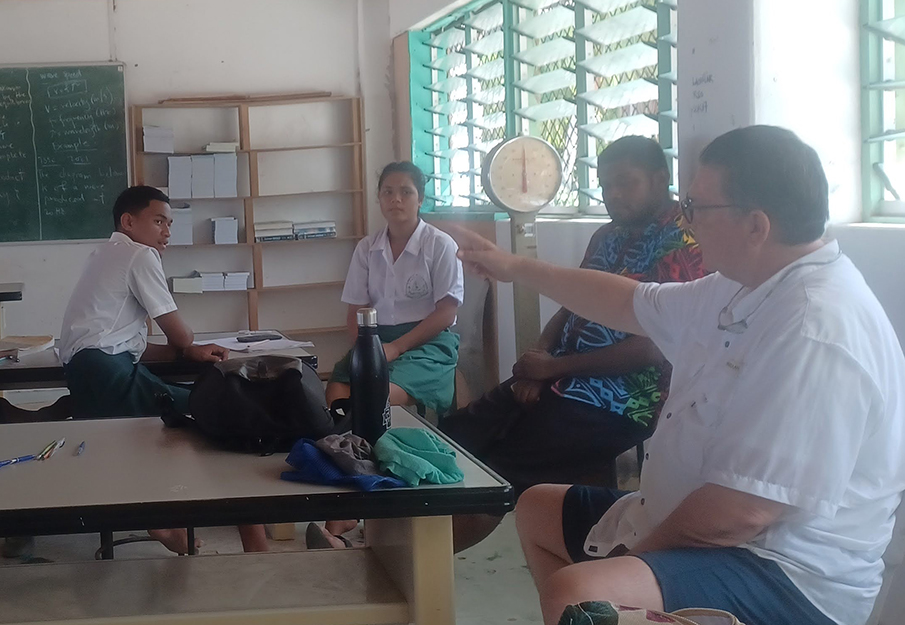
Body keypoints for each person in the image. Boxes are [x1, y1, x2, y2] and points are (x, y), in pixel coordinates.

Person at [452, 126, 905, 625]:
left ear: (757, 226)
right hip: (689, 516)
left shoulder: (815, 327)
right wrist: (512, 265)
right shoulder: (741, 286)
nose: (687, 221)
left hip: (783, 569)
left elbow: (740, 514)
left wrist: (637, 557)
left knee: (581, 592)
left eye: (697, 208)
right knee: (538, 508)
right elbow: (625, 300)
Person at [440, 136, 706, 551]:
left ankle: (423, 571)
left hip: (621, 401)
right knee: (457, 435)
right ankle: (384, 541)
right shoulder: (606, 236)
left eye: (625, 183)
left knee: (497, 473)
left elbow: (653, 347)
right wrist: (540, 358)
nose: (612, 195)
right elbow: (571, 303)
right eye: (605, 184)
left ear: (660, 179)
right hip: (558, 379)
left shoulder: (684, 245)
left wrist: (552, 371)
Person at [59, 185, 268, 555]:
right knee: (226, 414)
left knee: (150, 438)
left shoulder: (103, 253)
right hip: (109, 375)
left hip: (90, 372)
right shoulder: (140, 255)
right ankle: (254, 544)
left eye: (170, 224)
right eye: (158, 221)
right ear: (128, 221)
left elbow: (129, 345)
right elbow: (180, 332)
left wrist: (183, 351)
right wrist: (189, 346)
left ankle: (162, 523)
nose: (167, 233)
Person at [313, 161, 464, 548]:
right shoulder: (368, 247)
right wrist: (366, 349)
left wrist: (395, 348)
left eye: (405, 192)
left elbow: (446, 311)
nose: (396, 199)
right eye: (387, 192)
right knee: (338, 396)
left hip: (427, 343)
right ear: (379, 198)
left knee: (372, 402)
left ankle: (347, 512)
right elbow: (355, 311)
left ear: (421, 199)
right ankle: (356, 500)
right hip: (374, 339)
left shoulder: (439, 244)